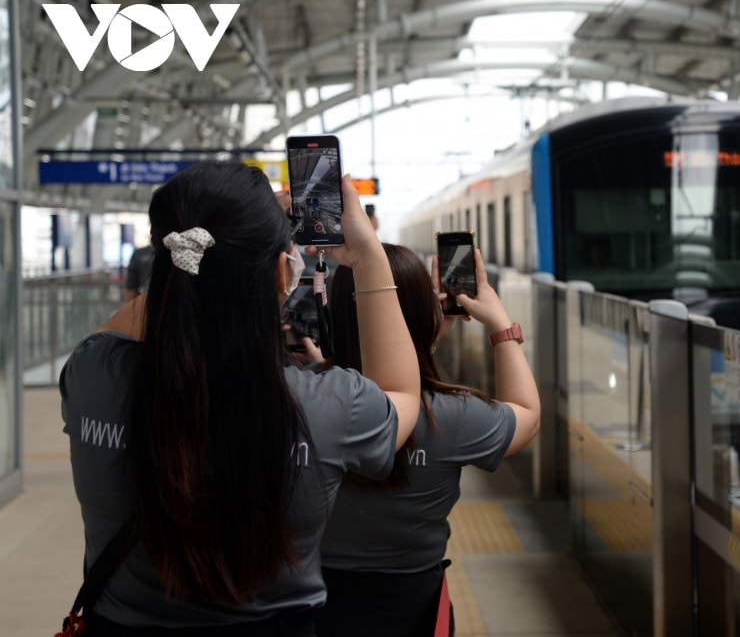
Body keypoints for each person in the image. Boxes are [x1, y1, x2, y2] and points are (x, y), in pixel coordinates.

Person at [59, 162, 424, 635]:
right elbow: (401, 396)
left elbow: (152, 310)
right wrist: (369, 255)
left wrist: (205, 250)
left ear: (168, 257)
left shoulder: (94, 374)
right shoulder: (330, 404)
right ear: (279, 273)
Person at [316, 244, 540, 636]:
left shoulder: (304, 400)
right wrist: (501, 324)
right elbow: (527, 413)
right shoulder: (452, 417)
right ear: (424, 317)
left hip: (317, 608)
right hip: (415, 610)